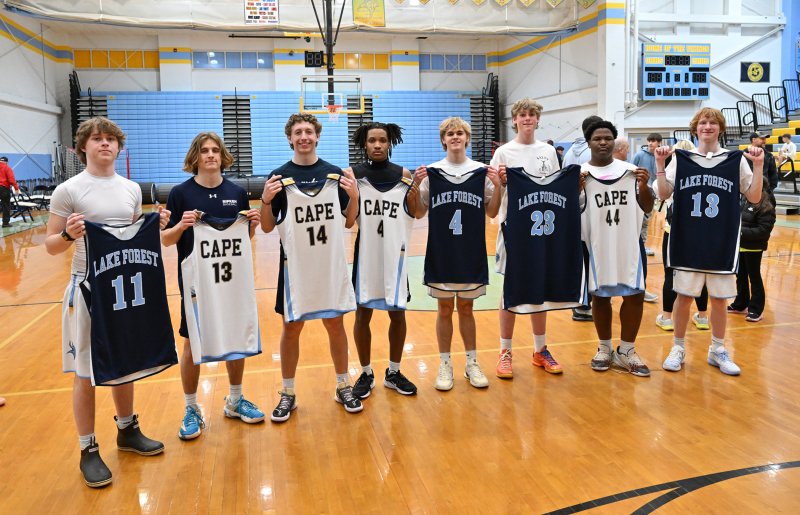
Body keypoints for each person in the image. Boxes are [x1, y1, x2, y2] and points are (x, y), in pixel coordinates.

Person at [45, 117, 170, 488]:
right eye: (97, 139)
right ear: (83, 146)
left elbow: (131, 236)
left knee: (123, 361)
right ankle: (87, 448)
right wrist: (67, 234)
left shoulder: (131, 188)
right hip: (87, 289)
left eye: (111, 139)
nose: (105, 144)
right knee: (86, 373)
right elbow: (50, 244)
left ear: (119, 147)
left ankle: (127, 430)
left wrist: (156, 225)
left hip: (123, 289)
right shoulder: (67, 190)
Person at [161, 132, 264, 440]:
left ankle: (234, 399)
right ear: (195, 156)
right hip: (196, 283)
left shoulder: (237, 191)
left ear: (222, 155)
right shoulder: (180, 193)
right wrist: (180, 225)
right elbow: (166, 239)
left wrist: (253, 226)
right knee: (192, 342)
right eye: (204, 150)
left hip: (231, 279)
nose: (210, 155)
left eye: (215, 150)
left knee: (234, 335)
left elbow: (244, 239)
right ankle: (191, 407)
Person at [260, 113, 361, 421]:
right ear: (290, 138)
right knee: (291, 329)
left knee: (335, 325)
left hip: (329, 266)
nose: (303, 136)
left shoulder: (334, 173)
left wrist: (354, 196)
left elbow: (349, 219)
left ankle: (344, 384)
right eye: (297, 132)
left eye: (308, 131)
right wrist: (265, 201)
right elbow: (266, 228)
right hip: (296, 269)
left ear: (317, 136)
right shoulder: (278, 177)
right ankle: (288, 392)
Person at [656, 107, 764, 376]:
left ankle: (717, 349)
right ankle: (678, 347)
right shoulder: (682, 158)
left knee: (718, 299)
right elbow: (664, 192)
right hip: (687, 239)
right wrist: (660, 165)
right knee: (683, 297)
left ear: (721, 128)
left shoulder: (734, 159)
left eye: (713, 123)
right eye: (703, 122)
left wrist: (759, 166)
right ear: (695, 128)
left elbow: (753, 197)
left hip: (722, 241)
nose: (707, 126)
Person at [415, 117, 501, 390]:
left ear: (467, 138)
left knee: (466, 308)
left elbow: (492, 212)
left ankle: (471, 362)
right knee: (443, 309)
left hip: (470, 251)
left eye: (460, 133)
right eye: (450, 133)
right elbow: (419, 212)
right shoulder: (432, 172)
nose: (455, 137)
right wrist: (416, 186)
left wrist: (499, 186)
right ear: (443, 140)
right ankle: (444, 363)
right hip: (441, 251)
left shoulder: (480, 171)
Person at [490, 98, 564, 379]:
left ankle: (540, 349)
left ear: (538, 119)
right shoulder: (504, 152)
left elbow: (555, 187)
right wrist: (502, 182)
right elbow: (493, 188)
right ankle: (505, 351)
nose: (528, 119)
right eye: (523, 115)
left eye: (532, 114)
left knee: (540, 289)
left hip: (543, 228)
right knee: (510, 288)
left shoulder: (548, 151)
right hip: (513, 228)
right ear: (514, 120)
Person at [347, 122, 419, 399]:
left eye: (382, 140)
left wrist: (416, 193)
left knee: (397, 314)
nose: (377, 145)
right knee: (362, 314)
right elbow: (348, 219)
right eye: (372, 141)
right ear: (364, 144)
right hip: (366, 254)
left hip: (394, 255)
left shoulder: (403, 174)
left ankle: (394, 371)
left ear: (390, 143)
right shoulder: (353, 175)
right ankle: (365, 372)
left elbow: (416, 213)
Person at [581, 120, 654, 377]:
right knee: (600, 297)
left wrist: (644, 187)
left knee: (634, 295)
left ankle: (627, 350)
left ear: (614, 141)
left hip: (628, 243)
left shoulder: (632, 171)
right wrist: (574, 190)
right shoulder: (581, 174)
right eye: (597, 138)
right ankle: (604, 348)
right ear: (588, 142)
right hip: (596, 245)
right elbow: (569, 212)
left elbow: (647, 207)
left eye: (608, 138)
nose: (603, 142)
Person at [655, 139, 709, 332]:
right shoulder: (703, 169)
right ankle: (703, 317)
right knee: (701, 274)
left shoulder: (675, 168)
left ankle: (667, 317)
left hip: (676, 232)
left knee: (671, 274)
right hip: (699, 231)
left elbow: (659, 191)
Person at [566, 115, 603, 321]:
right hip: (592, 211)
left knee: (581, 260)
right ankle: (587, 303)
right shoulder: (594, 152)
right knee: (591, 260)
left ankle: (580, 303)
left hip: (574, 210)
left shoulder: (570, 151)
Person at [728, 177, 775, 323]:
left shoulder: (766, 205)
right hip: (740, 246)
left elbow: (763, 230)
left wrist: (740, 232)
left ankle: (756, 309)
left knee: (754, 277)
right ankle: (741, 304)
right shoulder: (745, 200)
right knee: (740, 276)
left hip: (754, 248)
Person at [633, 133, 662, 257]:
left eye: (653, 141)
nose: (650, 143)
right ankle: (637, 246)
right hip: (639, 190)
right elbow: (632, 170)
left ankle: (641, 245)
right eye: (649, 140)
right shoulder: (639, 155)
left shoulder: (660, 156)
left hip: (653, 191)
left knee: (646, 220)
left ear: (658, 143)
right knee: (639, 219)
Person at [747, 132, 778, 204]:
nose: (764, 141)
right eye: (762, 139)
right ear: (753, 139)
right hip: (747, 193)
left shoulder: (769, 155)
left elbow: (773, 175)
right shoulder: (744, 154)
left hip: (765, 193)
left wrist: (769, 190)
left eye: (765, 139)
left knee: (768, 214)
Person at [0, 156, 20, 227]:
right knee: (6, 206)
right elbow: (11, 180)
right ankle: (5, 223)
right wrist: (16, 188)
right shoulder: (7, 168)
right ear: (6, 162)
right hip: (4, 188)